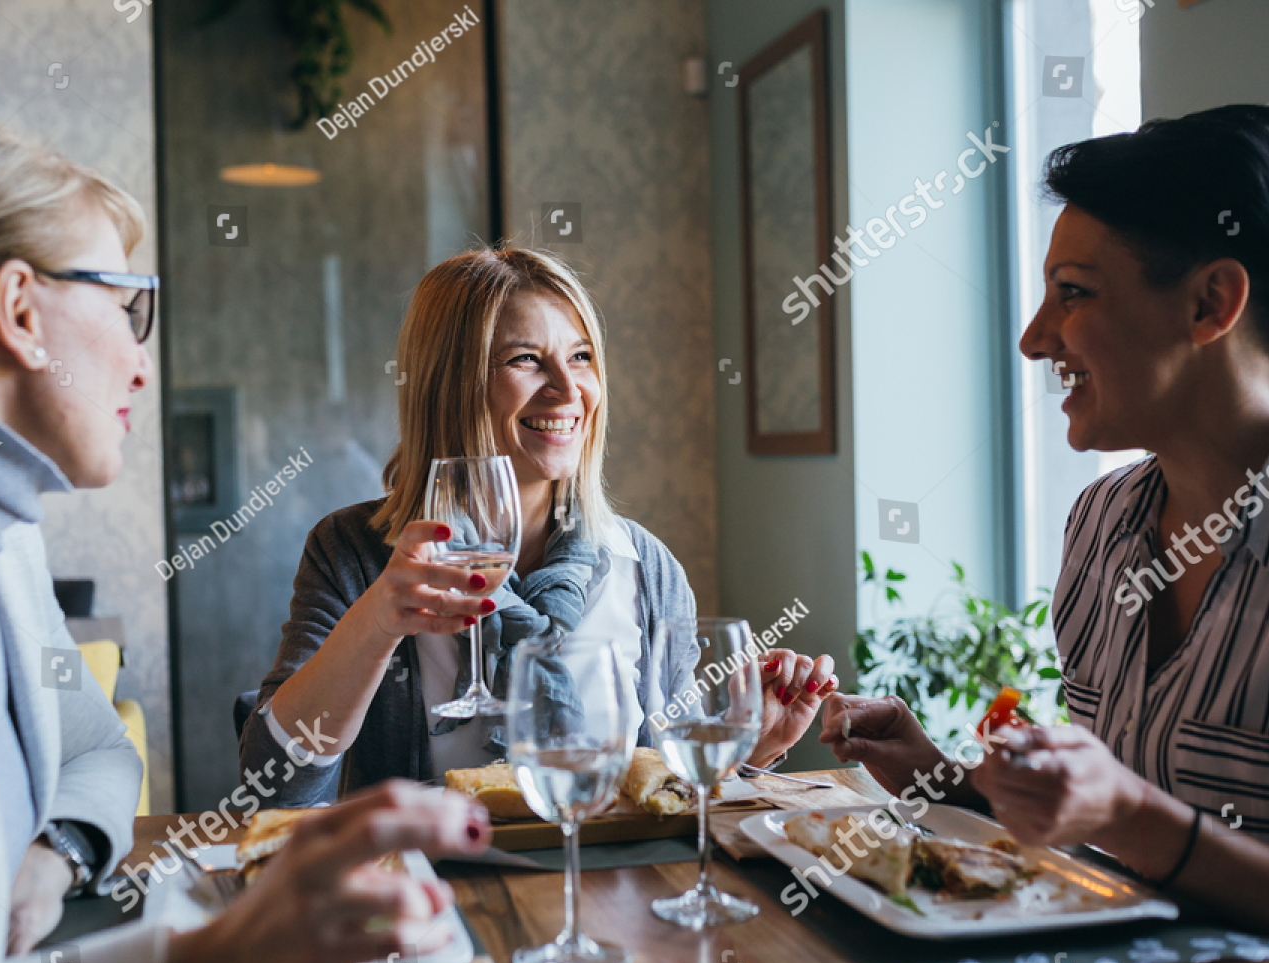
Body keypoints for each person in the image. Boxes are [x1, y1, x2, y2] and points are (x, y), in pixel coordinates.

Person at [0, 122, 489, 963]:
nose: (142, 364)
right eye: (129, 306)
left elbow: (96, 751)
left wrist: (57, 852)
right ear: (20, 309)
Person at [822, 104, 1269, 944]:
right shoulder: (1101, 524)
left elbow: (1137, 823)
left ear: (1211, 302)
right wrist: (944, 779)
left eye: (1073, 293)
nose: (1032, 338)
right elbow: (1105, 843)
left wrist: (1130, 813)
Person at [241, 248, 839, 804]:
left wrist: (751, 749)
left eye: (581, 357)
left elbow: (669, 792)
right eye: (526, 359)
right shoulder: (353, 553)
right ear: (450, 384)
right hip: (435, 903)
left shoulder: (645, 566)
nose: (567, 389)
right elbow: (275, 792)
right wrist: (375, 623)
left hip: (613, 897)